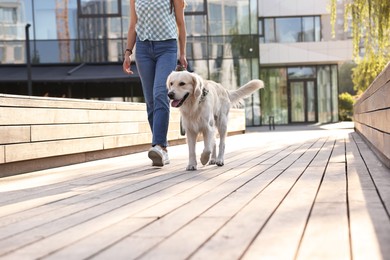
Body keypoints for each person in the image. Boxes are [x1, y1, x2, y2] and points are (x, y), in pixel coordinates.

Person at [123, 0, 187, 167]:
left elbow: (180, 23)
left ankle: (159, 146)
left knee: (160, 93)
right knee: (150, 100)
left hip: (167, 47)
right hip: (143, 49)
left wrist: (183, 53)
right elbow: (133, 25)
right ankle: (162, 149)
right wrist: (128, 53)